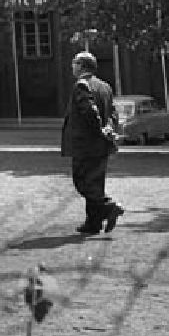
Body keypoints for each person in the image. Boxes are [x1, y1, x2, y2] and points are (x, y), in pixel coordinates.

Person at [61, 50, 124, 235]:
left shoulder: (81, 85)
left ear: (81, 66)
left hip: (86, 144)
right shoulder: (104, 86)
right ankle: (93, 223)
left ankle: (109, 206)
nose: (71, 66)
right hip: (101, 145)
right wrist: (108, 130)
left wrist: (99, 130)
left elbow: (89, 112)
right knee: (96, 182)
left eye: (74, 62)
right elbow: (113, 113)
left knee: (82, 182)